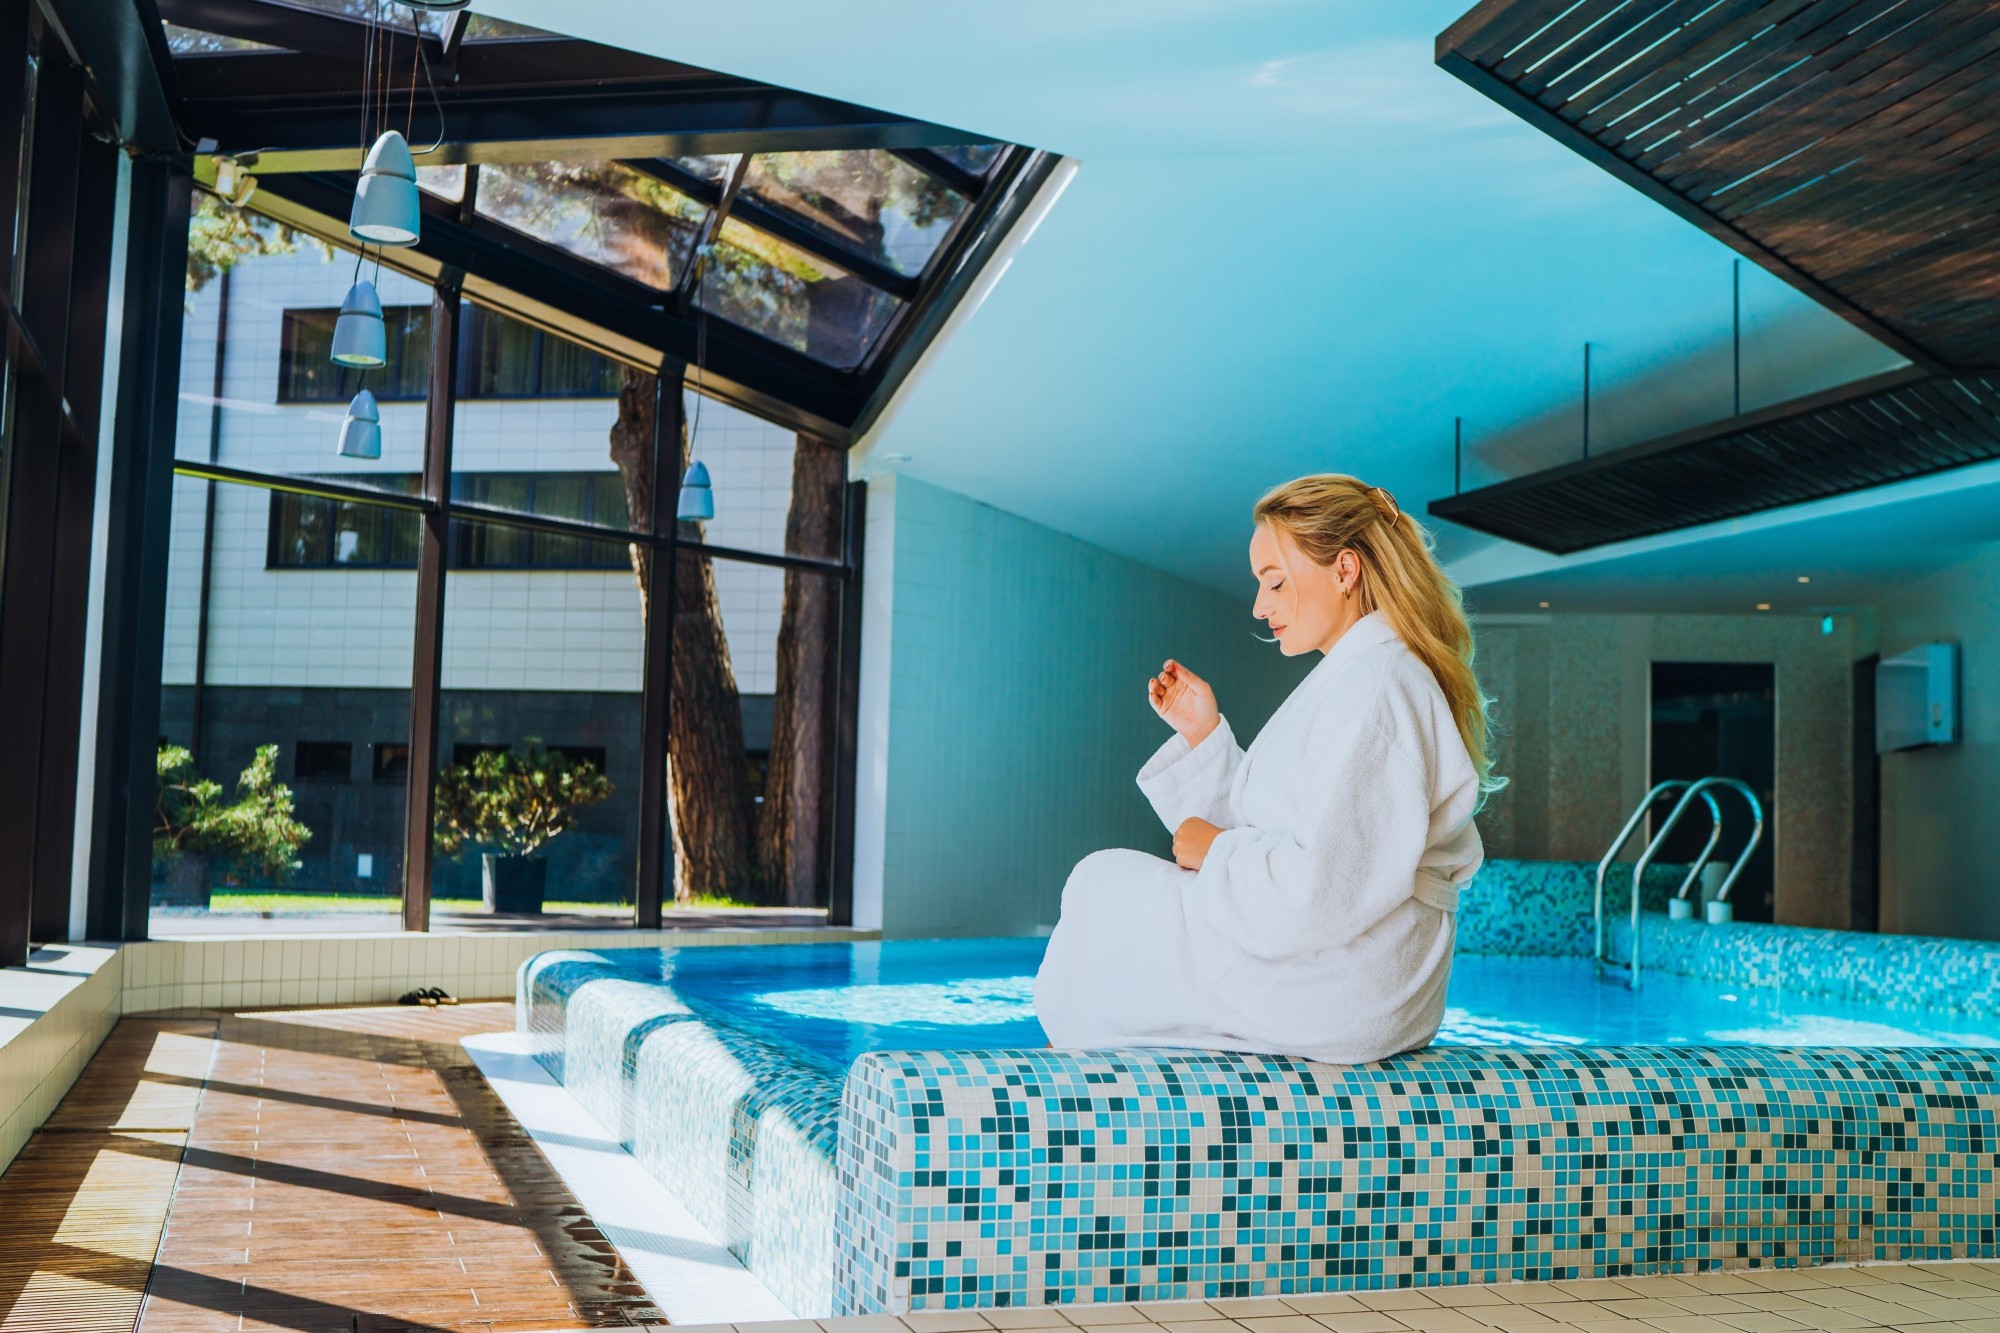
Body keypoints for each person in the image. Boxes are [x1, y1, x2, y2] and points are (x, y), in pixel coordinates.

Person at [1033, 474, 1501, 1064]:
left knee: (1103, 885)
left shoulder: (1377, 685)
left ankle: (1056, 1078)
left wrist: (1214, 850)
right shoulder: (1364, 675)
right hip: (1349, 972)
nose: (1259, 606)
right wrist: (1203, 733)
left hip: (1344, 987)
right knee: (1107, 897)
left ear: (1345, 570)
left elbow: (1322, 893)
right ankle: (1069, 1058)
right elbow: (1296, 834)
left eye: (1274, 582)